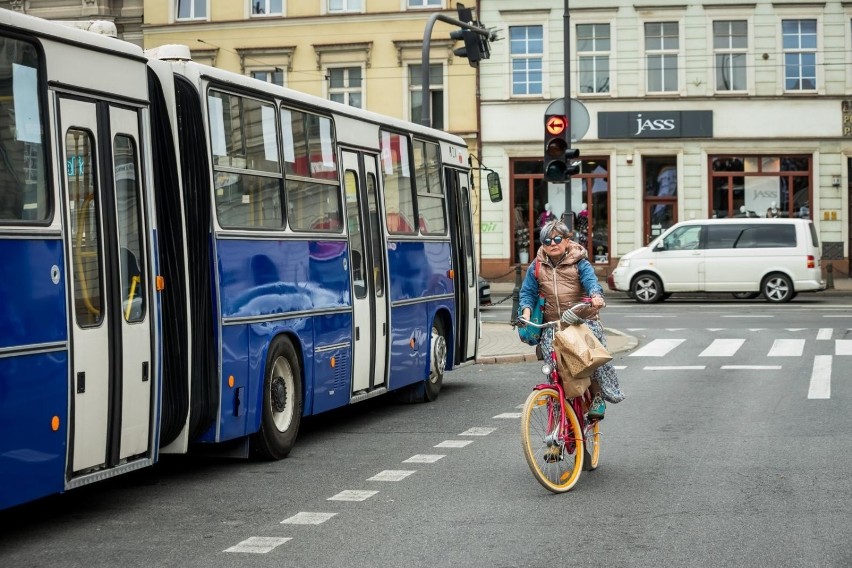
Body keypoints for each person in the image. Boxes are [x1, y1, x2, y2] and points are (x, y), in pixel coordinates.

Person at [517, 219, 625, 419]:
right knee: (554, 370)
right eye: (547, 241)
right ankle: (558, 420)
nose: (553, 243)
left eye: (558, 238)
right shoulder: (537, 266)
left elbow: (591, 282)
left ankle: (597, 398)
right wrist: (525, 314)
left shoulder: (579, 261)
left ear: (567, 240)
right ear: (542, 244)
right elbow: (527, 294)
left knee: (590, 361)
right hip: (552, 324)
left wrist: (596, 297)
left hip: (581, 321)